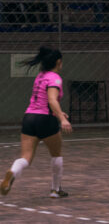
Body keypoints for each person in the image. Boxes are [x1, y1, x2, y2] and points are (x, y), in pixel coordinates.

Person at [0, 46, 72, 198]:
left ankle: (12, 171)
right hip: (45, 119)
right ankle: (55, 189)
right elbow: (51, 100)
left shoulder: (40, 76)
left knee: (26, 157)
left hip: (29, 118)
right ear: (59, 62)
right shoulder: (55, 78)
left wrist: (57, 111)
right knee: (56, 154)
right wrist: (62, 118)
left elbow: (42, 100)